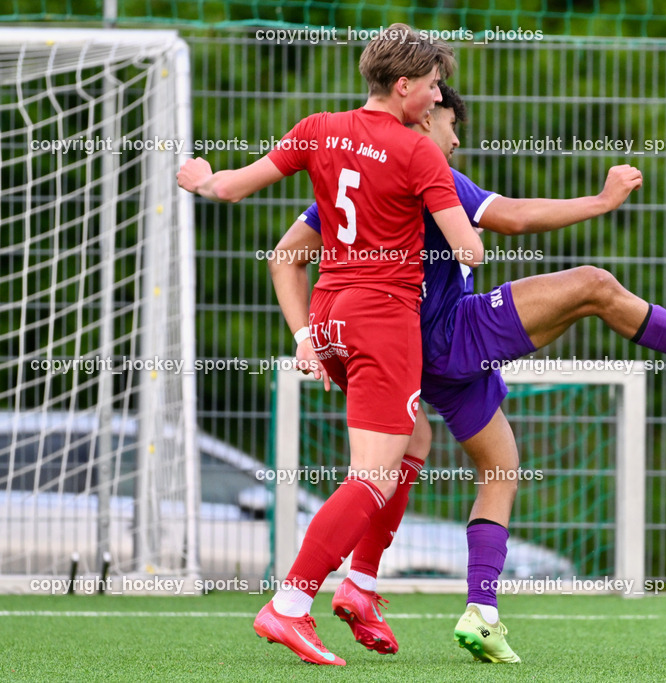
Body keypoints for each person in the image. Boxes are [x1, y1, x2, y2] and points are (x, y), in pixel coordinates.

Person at [268, 83, 666, 663]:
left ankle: (451, 605)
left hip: (397, 350)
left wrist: (306, 335)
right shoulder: (424, 168)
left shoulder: (355, 177)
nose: (455, 139)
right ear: (422, 115)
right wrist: (600, 201)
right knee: (593, 284)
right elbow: (512, 216)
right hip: (443, 335)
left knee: (490, 464)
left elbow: (285, 256)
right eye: (450, 122)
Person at [177, 24, 483, 666]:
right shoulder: (418, 151)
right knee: (371, 476)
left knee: (414, 441)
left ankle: (361, 584)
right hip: (382, 320)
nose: (437, 99)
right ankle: (290, 604)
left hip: (328, 315)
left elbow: (230, 188)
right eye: (433, 87)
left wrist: (202, 176)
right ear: (404, 86)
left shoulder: (318, 128)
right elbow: (469, 247)